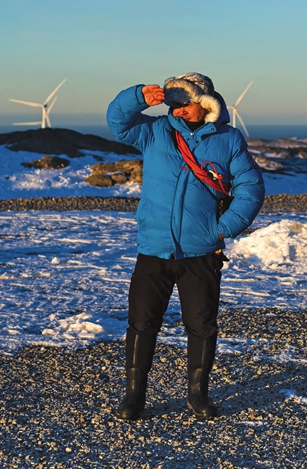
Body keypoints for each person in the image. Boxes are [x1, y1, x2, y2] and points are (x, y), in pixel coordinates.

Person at [106, 73, 265, 421]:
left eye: (184, 104)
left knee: (202, 326)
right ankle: (134, 397)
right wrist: (137, 97)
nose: (177, 111)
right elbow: (117, 121)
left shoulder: (228, 139)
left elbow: (251, 186)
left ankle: (198, 396)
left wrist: (222, 229)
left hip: (201, 253)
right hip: (153, 249)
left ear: (204, 103)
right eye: (173, 105)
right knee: (142, 323)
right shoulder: (155, 132)